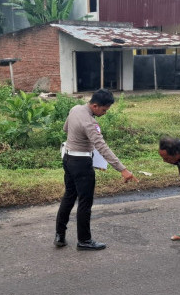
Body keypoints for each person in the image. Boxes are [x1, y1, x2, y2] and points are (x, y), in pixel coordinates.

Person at [55, 89, 137, 251]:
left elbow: (66, 129)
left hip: (68, 159)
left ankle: (60, 235)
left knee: (69, 197)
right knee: (85, 202)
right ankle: (84, 240)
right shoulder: (90, 123)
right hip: (81, 164)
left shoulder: (75, 109)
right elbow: (102, 147)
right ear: (94, 105)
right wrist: (122, 169)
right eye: (104, 110)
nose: (105, 113)